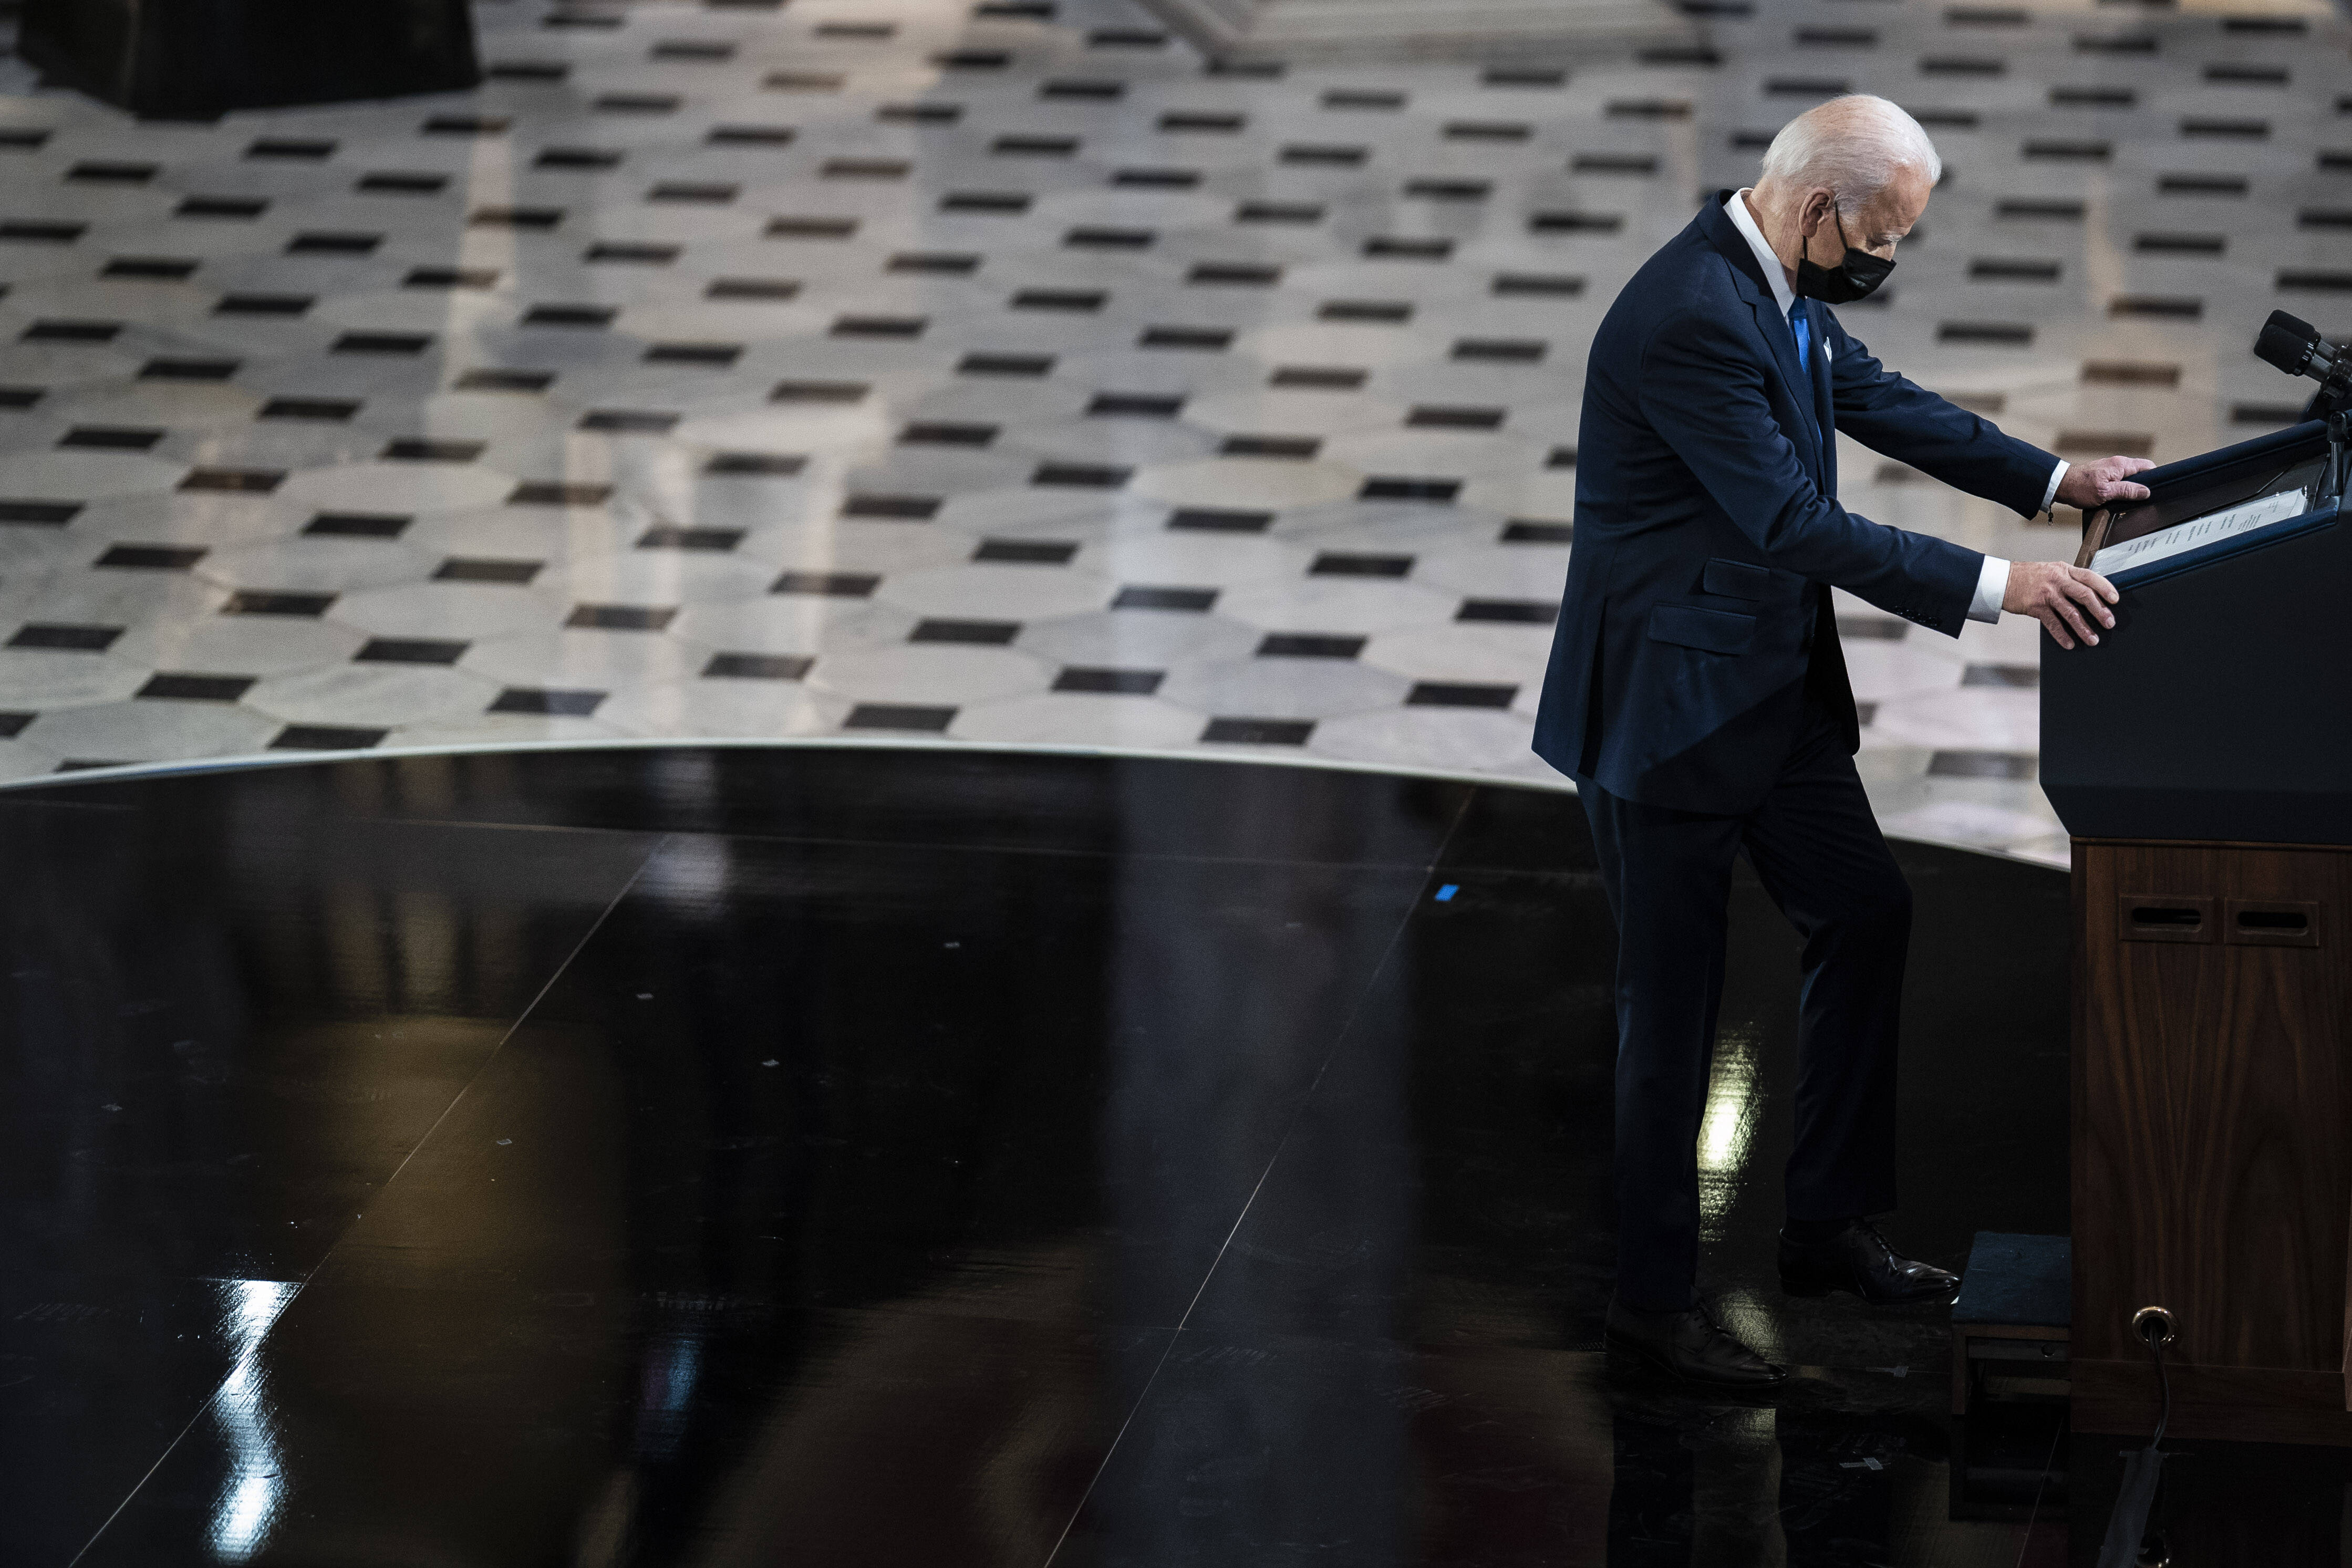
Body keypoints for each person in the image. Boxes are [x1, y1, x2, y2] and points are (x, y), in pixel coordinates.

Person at [1531, 95, 2152, 1389]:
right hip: (1667, 713)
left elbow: (1872, 394)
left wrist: (2051, 480)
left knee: (1865, 914)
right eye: (1881, 235)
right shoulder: (1689, 317)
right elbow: (1792, 523)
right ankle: (1653, 1302)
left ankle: (1822, 1227)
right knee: (1673, 1010)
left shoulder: (1773, 276)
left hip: (1766, 691)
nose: (1886, 260)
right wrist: (2004, 582)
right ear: (1819, 209)